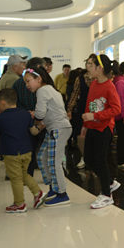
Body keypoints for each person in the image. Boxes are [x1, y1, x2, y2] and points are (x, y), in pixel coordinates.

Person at [24, 66, 73, 206]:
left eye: (28, 81)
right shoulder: (50, 89)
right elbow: (51, 112)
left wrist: (32, 114)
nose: (27, 85)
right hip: (54, 128)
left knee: (54, 161)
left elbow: (40, 114)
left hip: (58, 128)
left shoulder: (42, 91)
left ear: (39, 79)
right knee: (43, 156)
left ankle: (62, 194)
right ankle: (54, 187)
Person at [0, 89, 46, 213]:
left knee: (15, 178)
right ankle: (38, 193)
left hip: (11, 153)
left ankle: (19, 204)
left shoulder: (0, 118)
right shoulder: (25, 114)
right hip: (27, 151)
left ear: (2, 103)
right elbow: (33, 131)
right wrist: (41, 126)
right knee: (23, 174)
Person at [80, 54, 122, 209]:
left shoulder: (109, 86)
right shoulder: (94, 84)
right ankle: (109, 182)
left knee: (100, 160)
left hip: (104, 128)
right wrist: (86, 123)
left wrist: (95, 116)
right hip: (92, 126)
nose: (88, 67)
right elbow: (89, 105)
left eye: (91, 64)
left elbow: (116, 109)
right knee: (89, 160)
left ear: (100, 68)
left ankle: (106, 195)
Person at [14, 57, 46, 177]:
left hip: (24, 121)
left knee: (28, 150)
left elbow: (14, 103)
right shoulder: (42, 85)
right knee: (42, 150)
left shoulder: (17, 83)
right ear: (38, 67)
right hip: (40, 121)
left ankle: (28, 175)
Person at [67, 68, 93, 170]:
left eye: (92, 64)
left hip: (96, 109)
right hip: (82, 109)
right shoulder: (80, 78)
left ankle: (94, 158)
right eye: (88, 63)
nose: (90, 66)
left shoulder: (100, 78)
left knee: (94, 134)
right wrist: (70, 109)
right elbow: (74, 94)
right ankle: (84, 157)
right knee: (81, 134)